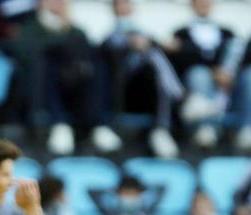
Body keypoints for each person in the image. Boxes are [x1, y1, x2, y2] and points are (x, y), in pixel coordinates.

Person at [15, 0, 122, 156]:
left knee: (99, 64)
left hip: (76, 85)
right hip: (43, 90)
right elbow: (25, 54)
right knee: (48, 63)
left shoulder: (76, 30)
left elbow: (86, 51)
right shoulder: (29, 28)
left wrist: (66, 29)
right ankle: (60, 124)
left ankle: (100, 124)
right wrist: (57, 35)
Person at [99, 0, 183, 159]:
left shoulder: (144, 34)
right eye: (120, 4)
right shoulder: (110, 36)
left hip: (147, 90)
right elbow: (108, 52)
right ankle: (179, 97)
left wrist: (150, 44)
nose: (124, 7)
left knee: (153, 57)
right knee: (153, 56)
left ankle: (162, 126)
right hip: (123, 91)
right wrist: (131, 43)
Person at [165, 0, 251, 150]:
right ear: (192, 5)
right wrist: (213, 71)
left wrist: (228, 74)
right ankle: (205, 128)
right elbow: (179, 63)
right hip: (197, 86)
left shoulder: (227, 32)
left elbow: (240, 58)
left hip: (228, 86)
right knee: (199, 74)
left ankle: (246, 128)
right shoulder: (181, 33)